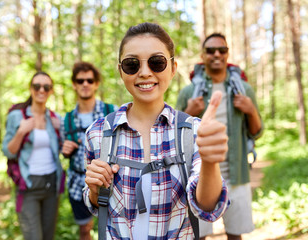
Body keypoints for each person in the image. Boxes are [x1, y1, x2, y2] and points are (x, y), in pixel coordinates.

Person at [82, 22, 230, 240]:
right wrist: (95, 190)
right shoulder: (99, 134)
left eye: (157, 62)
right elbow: (96, 203)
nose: (144, 73)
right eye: (132, 64)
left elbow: (207, 208)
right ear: (121, 71)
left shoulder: (192, 132)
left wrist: (210, 161)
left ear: (173, 69)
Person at [176, 33, 263, 240]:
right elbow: (173, 137)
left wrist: (250, 110)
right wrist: (188, 112)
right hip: (197, 179)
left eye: (221, 50)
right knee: (198, 236)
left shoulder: (243, 91)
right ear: (203, 55)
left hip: (237, 176)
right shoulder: (189, 93)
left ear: (227, 54)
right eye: (210, 50)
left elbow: (257, 132)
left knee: (235, 235)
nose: (216, 54)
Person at [2, 71, 64, 240]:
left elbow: (64, 150)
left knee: (48, 236)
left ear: (51, 91)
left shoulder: (54, 118)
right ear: (30, 89)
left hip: (51, 184)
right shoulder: (17, 116)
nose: (41, 90)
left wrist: (61, 129)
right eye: (37, 86)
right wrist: (21, 132)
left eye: (46, 87)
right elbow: (7, 151)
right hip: (28, 186)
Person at [61, 61, 117, 240]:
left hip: (108, 181)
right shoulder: (67, 119)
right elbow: (63, 150)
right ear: (74, 85)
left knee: (110, 229)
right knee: (84, 230)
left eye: (90, 80)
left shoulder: (111, 112)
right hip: (77, 183)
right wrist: (65, 150)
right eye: (80, 80)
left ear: (96, 84)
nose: (85, 84)